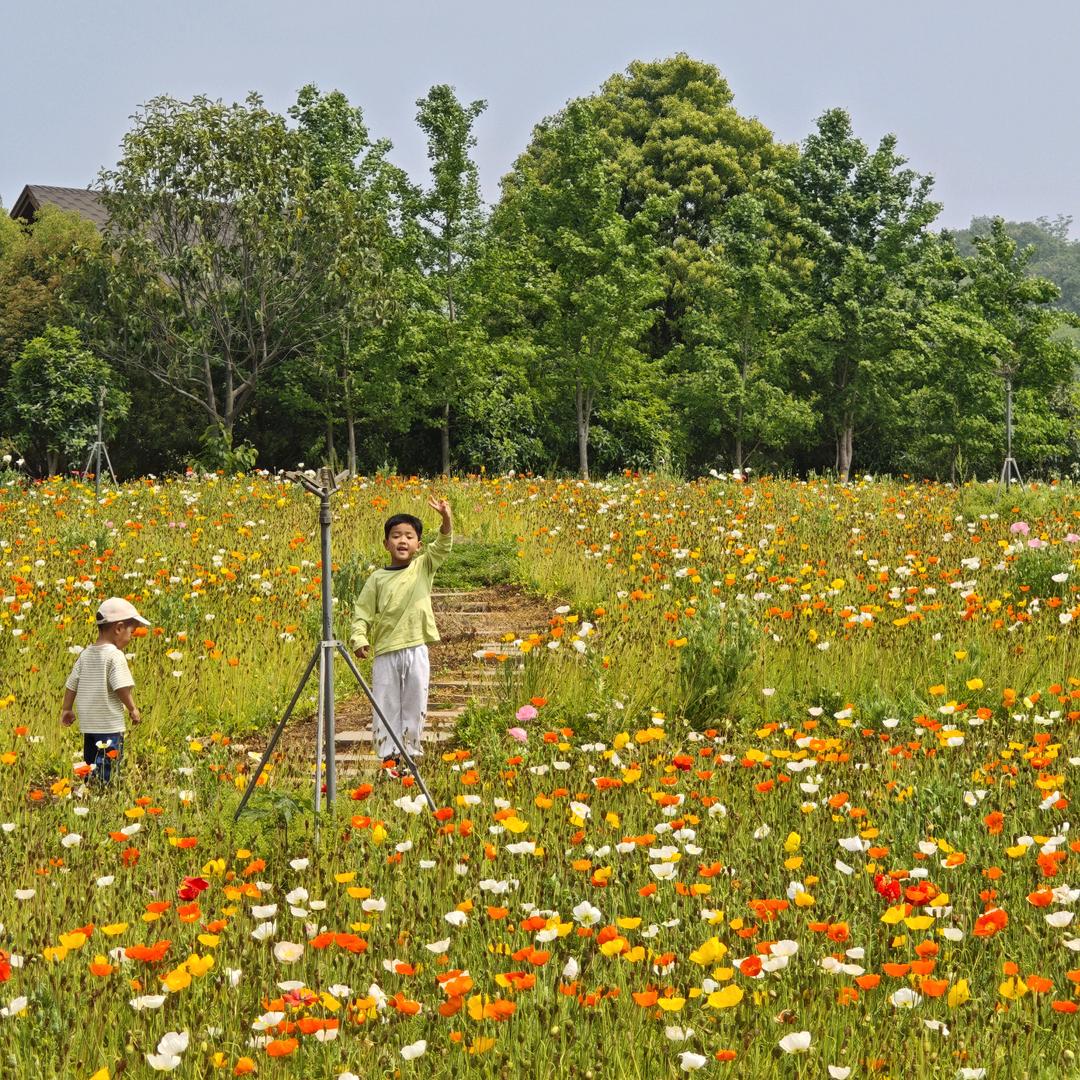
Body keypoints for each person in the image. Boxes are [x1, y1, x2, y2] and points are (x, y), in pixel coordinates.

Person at [351, 497, 453, 778]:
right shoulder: (377, 579)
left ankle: (410, 757)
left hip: (416, 647)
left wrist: (446, 518)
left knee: (414, 703)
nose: (403, 541)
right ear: (386, 544)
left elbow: (444, 544)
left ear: (419, 544)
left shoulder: (423, 567)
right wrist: (359, 637)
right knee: (386, 704)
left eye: (409, 536)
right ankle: (388, 759)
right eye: (396, 536)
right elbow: (362, 612)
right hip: (385, 652)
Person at [60, 597, 149, 784]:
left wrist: (66, 709)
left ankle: (90, 788)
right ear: (119, 628)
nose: (132, 636)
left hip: (88, 723)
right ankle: (103, 793)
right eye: (131, 631)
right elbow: (121, 688)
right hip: (109, 723)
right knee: (108, 764)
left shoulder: (85, 654)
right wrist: (132, 708)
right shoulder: (115, 656)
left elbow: (71, 684)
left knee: (91, 761)